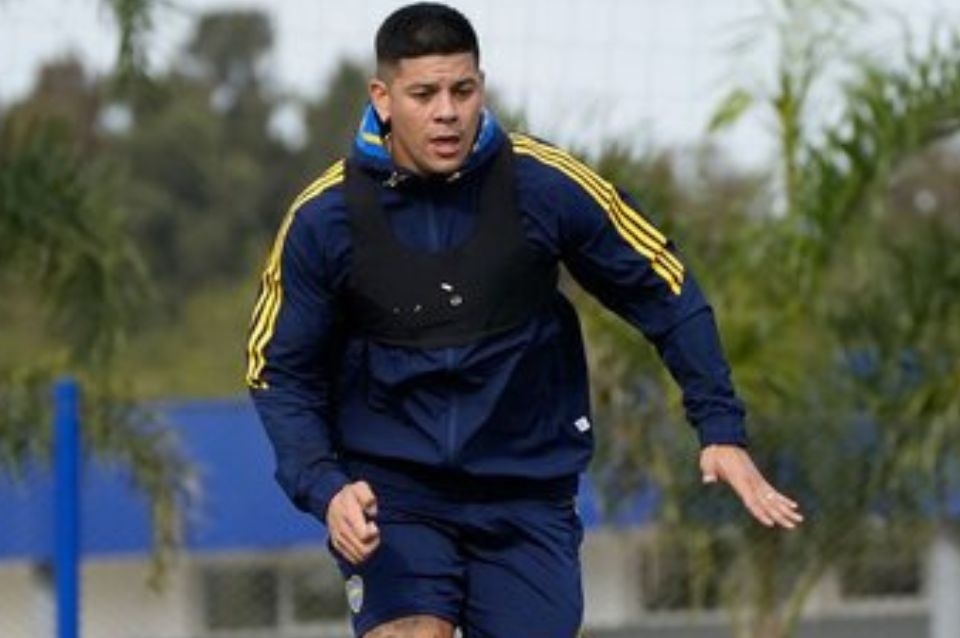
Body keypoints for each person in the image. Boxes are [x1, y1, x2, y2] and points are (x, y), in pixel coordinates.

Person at [246, 3, 803, 637]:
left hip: (525, 491)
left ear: (481, 86)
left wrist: (720, 428)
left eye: (463, 90)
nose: (447, 112)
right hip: (393, 495)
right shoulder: (324, 217)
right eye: (424, 95)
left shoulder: (545, 185)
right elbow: (278, 372)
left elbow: (665, 290)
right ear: (383, 98)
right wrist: (326, 487)